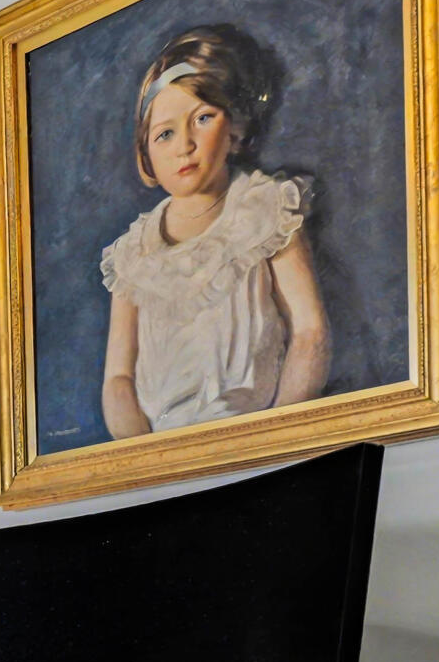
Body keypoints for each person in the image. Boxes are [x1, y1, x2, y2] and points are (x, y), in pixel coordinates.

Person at [100, 24, 328, 438]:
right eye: (165, 133)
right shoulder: (133, 254)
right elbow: (118, 379)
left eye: (202, 118)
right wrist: (142, 455)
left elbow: (310, 332)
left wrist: (276, 433)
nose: (184, 144)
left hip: (255, 436)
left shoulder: (265, 210)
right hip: (162, 451)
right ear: (146, 154)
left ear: (235, 130)